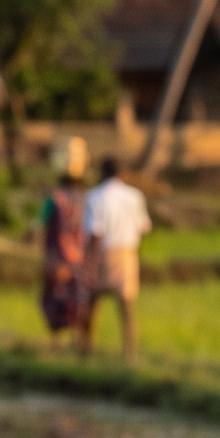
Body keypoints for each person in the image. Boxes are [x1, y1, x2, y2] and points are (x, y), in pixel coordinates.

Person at [80, 154, 152, 364]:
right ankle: (130, 353)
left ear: (102, 173)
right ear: (122, 173)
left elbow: (95, 233)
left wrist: (90, 264)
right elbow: (144, 227)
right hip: (128, 254)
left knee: (92, 303)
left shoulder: (95, 196)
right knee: (126, 306)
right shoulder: (135, 196)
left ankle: (87, 349)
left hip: (104, 253)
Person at [40, 163, 91, 338]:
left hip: (56, 258)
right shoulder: (85, 200)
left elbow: (40, 223)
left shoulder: (54, 199)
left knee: (55, 296)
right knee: (76, 298)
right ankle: (76, 339)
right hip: (79, 258)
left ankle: (56, 340)